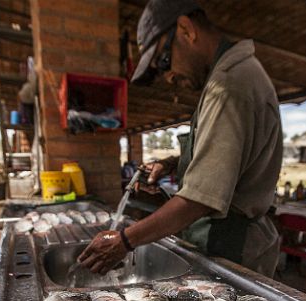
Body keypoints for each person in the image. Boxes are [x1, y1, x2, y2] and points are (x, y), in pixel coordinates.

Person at [78, 0, 283, 277]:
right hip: (222, 241)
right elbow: (228, 159)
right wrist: (174, 163)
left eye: (163, 62)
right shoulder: (231, 78)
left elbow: (200, 198)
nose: (168, 77)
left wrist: (125, 241)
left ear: (186, 29)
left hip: (233, 247)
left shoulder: (229, 86)